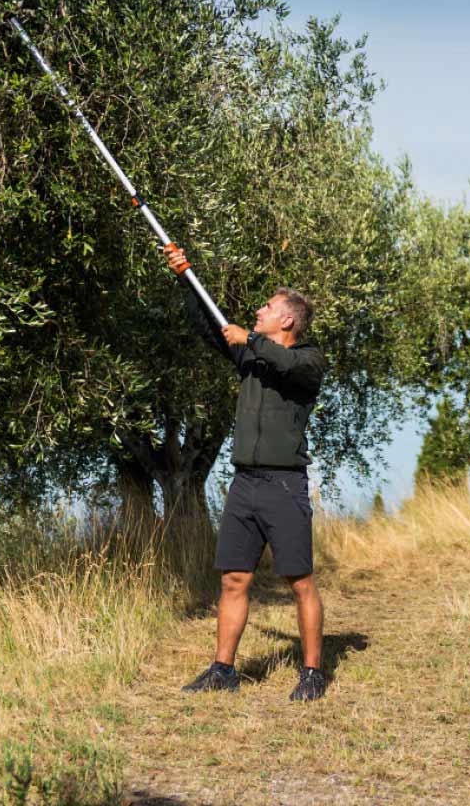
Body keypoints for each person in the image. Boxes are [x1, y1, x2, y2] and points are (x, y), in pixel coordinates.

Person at [165, 243, 330, 702]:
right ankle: (223, 670)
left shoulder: (309, 361)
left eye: (268, 308)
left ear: (288, 321)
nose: (259, 311)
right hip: (245, 485)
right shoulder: (253, 357)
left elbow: (288, 364)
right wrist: (185, 277)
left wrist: (250, 340)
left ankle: (313, 674)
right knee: (233, 579)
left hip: (284, 484)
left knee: (300, 582)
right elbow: (211, 330)